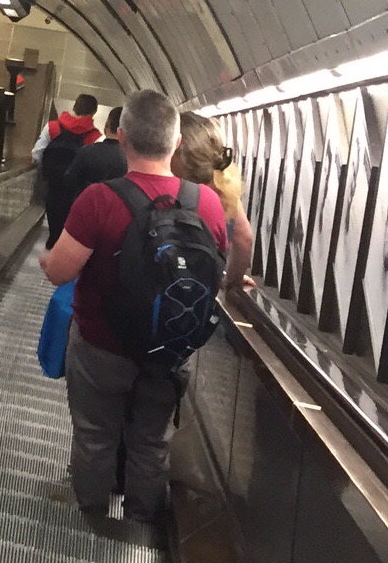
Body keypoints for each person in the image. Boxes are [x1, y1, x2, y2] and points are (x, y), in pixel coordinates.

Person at [42, 89, 228, 524]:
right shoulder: (207, 203)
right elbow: (217, 269)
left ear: (121, 136)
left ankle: (91, 519)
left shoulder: (99, 199)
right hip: (169, 351)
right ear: (176, 142)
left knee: (95, 435)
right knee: (151, 440)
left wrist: (49, 260)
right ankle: (140, 525)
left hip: (101, 348)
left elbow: (60, 272)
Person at [176, 112, 256, 293]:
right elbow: (244, 239)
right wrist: (232, 280)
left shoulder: (168, 183)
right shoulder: (223, 186)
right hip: (200, 293)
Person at [48, 106, 126, 245]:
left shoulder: (87, 151)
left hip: (84, 215)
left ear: (106, 126)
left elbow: (69, 182)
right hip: (115, 225)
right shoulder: (131, 160)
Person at [36, 92, 101, 161]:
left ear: (74, 108)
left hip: (49, 166)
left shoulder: (52, 126)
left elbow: (37, 152)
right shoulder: (95, 137)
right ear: (94, 112)